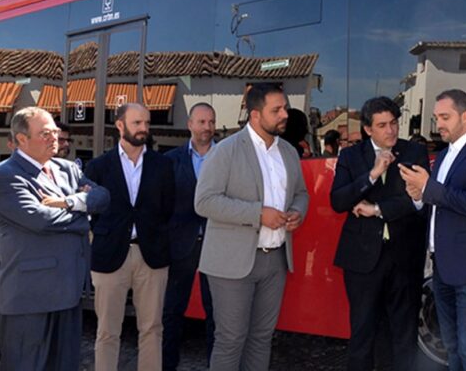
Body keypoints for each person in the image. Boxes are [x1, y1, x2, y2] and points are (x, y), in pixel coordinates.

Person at [195, 82, 309, 371]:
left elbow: (301, 193)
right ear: (255, 115)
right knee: (230, 340)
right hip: (232, 263)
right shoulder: (226, 150)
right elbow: (204, 201)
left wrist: (297, 212)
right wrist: (257, 214)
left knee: (261, 338)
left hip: (276, 260)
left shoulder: (288, 152)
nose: (285, 114)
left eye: (285, 108)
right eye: (277, 110)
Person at [0, 107, 110, 371]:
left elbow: (103, 197)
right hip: (29, 297)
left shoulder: (68, 169)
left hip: (69, 291)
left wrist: (70, 202)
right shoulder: (6, 175)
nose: (55, 139)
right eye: (45, 133)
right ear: (21, 139)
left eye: (55, 132)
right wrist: (85, 215)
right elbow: (40, 219)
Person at [401, 89, 466, 371]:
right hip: (443, 267)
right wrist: (418, 196)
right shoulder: (444, 155)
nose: (439, 124)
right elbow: (438, 202)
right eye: (436, 118)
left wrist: (428, 187)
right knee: (452, 345)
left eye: (445, 117)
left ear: (465, 116)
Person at [330, 97, 430, 371]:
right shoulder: (351, 156)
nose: (391, 130)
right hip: (362, 259)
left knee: (404, 334)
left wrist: (376, 209)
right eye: (382, 125)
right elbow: (338, 201)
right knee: (362, 332)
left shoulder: (414, 152)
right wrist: (373, 174)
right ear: (368, 129)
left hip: (404, 257)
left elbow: (417, 202)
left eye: (394, 123)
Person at [86, 103, 176, 371]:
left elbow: (168, 208)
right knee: (107, 330)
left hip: (152, 255)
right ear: (120, 125)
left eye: (147, 123)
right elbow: (92, 211)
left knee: (152, 328)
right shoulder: (99, 166)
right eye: (137, 123)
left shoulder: (163, 165)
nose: (143, 128)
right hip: (110, 254)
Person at [162, 103, 218, 370]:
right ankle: (167, 365)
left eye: (211, 122)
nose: (207, 127)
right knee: (172, 312)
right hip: (180, 245)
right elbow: (162, 204)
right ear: (190, 124)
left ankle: (215, 365)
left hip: (217, 244)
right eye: (202, 122)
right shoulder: (170, 160)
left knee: (216, 314)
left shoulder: (226, 156)